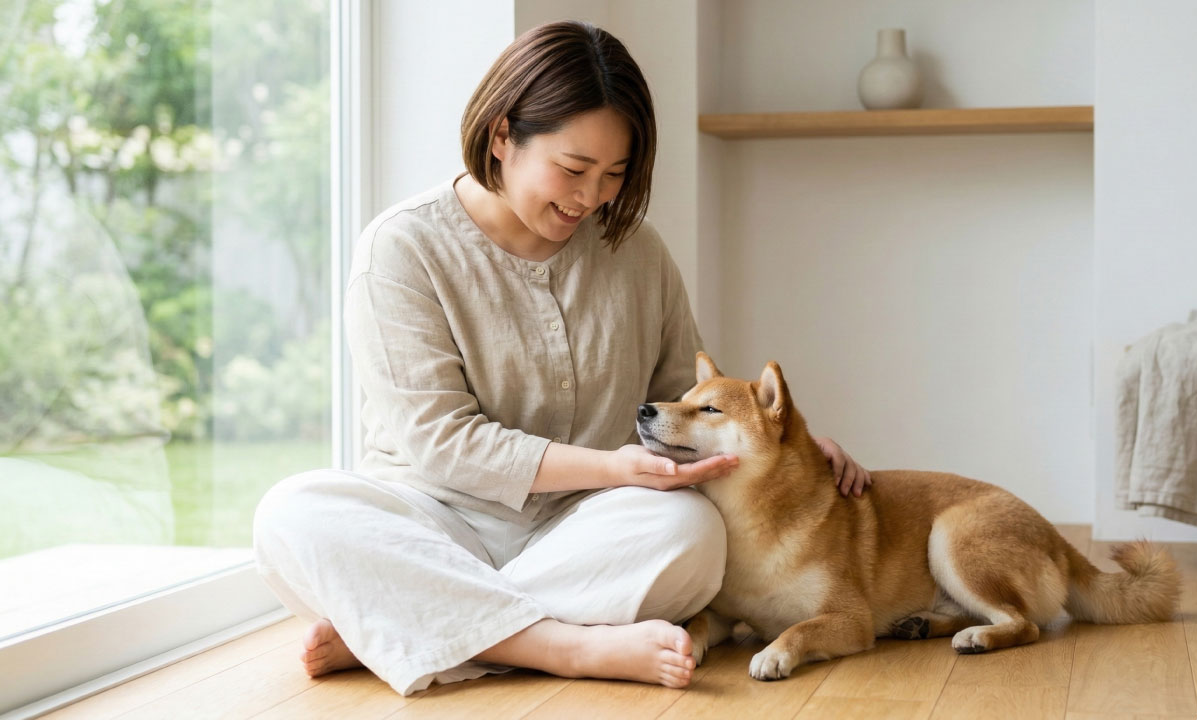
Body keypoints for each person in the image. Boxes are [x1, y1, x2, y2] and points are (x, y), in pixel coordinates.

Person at [251, 19, 870, 696]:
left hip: (589, 526)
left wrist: (791, 451)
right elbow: (441, 443)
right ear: (501, 135)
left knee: (692, 534)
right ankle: (561, 646)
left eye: (615, 173)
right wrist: (609, 464)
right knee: (292, 513)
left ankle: (405, 624)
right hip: (437, 520)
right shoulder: (401, 251)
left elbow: (679, 405)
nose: (591, 196)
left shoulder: (636, 252)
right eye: (573, 169)